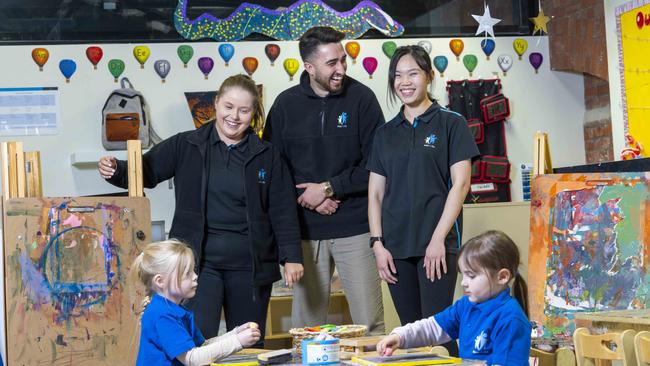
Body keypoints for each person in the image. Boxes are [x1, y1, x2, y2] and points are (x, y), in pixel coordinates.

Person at [98, 74, 303, 343]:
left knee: (249, 342)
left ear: (253, 113)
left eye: (244, 110)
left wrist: (292, 257)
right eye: (228, 107)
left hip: (250, 267)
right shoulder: (187, 144)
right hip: (198, 267)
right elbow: (145, 171)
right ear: (216, 103)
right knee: (196, 341)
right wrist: (116, 170)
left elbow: (283, 209)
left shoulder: (268, 155)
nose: (234, 116)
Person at [263, 26, 384, 334]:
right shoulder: (285, 105)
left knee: (368, 324)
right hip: (304, 232)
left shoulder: (362, 99)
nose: (341, 69)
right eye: (332, 63)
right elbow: (272, 170)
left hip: (356, 228)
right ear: (309, 67)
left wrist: (329, 188)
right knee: (307, 328)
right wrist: (307, 197)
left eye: (342, 60)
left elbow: (377, 165)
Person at [367, 45, 479, 354]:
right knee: (408, 335)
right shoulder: (385, 133)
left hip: (437, 245)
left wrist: (438, 239)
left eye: (413, 73)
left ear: (429, 76)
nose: (405, 82)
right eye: (398, 76)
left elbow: (461, 185)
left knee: (438, 331)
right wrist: (377, 244)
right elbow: (375, 193)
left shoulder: (451, 123)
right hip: (394, 247)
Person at [376, 231, 532, 365]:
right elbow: (433, 327)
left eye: (471, 276)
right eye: (463, 275)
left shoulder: (511, 319)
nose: (464, 282)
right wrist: (400, 337)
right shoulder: (466, 305)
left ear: (502, 276)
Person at [132, 239, 261, 366]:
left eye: (193, 270)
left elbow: (202, 346)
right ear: (160, 281)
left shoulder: (171, 309)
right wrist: (237, 341)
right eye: (187, 273)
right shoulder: (162, 315)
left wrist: (236, 334)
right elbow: (192, 359)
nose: (195, 276)